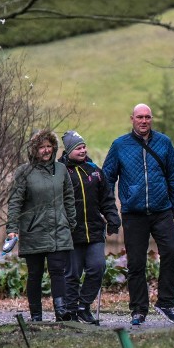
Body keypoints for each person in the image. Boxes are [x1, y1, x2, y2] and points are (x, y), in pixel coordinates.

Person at [102, 103, 174, 326]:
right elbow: (107, 178)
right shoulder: (120, 145)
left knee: (170, 253)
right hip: (133, 213)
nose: (144, 121)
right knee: (136, 263)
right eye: (140, 117)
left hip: (162, 210)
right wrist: (108, 208)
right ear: (132, 119)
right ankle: (139, 309)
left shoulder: (164, 142)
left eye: (147, 117)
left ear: (152, 119)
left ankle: (166, 303)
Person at [6, 129, 76, 322]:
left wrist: (71, 221)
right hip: (33, 230)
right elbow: (15, 202)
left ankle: (61, 311)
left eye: (48, 146)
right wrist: (12, 229)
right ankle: (36, 315)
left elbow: (69, 197)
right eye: (41, 147)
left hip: (58, 229)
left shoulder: (61, 169)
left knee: (57, 271)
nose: (46, 150)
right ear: (34, 150)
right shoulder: (24, 172)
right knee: (35, 274)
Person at [59, 130, 121, 324]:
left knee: (97, 268)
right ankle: (70, 312)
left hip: (94, 231)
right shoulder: (59, 172)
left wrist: (113, 218)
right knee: (72, 274)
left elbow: (107, 199)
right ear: (68, 150)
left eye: (84, 147)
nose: (83, 150)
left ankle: (83, 306)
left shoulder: (94, 170)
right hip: (71, 233)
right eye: (78, 148)